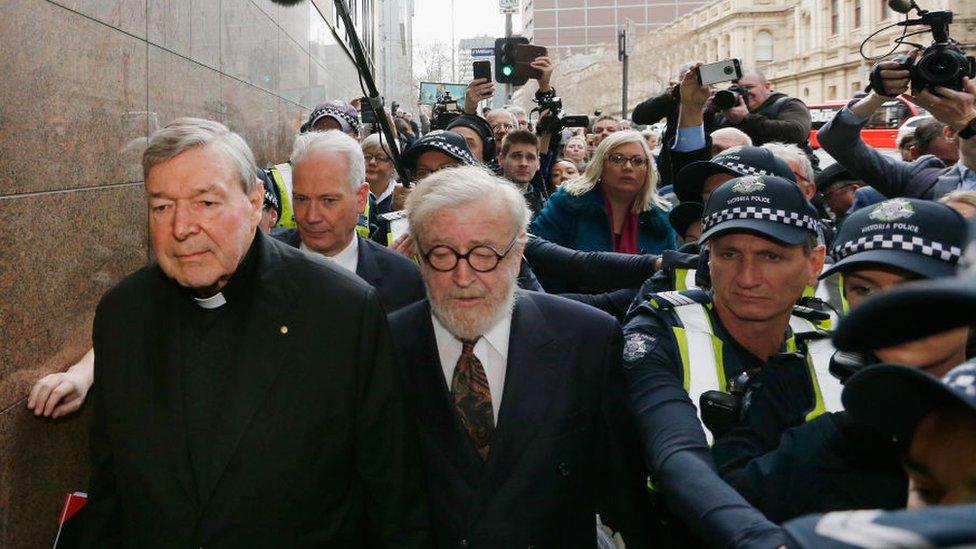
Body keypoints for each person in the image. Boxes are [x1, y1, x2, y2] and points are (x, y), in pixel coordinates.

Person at [74, 118, 428, 546]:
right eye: (162, 206)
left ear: (255, 203)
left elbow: (393, 497)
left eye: (205, 203)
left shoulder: (342, 310)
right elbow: (111, 492)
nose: (181, 227)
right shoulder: (123, 315)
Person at [388, 166, 651, 548]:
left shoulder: (586, 340)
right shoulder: (386, 346)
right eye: (442, 254)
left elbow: (624, 489)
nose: (463, 277)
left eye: (485, 254)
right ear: (417, 254)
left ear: (518, 250)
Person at [712, 198, 969, 523]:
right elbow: (729, 497)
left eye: (918, 286)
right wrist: (837, 436)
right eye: (865, 289)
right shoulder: (794, 380)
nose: (890, 310)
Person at [622, 174, 839, 547]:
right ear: (708, 258)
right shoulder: (660, 328)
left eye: (771, 255)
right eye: (729, 254)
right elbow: (675, 454)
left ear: (814, 263)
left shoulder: (832, 333)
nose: (747, 277)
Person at [272, 130, 425, 313]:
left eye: (328, 200)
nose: (311, 216)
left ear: (361, 198)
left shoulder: (403, 280)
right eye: (301, 199)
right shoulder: (260, 262)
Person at [530, 130, 677, 290]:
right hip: (571, 307)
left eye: (637, 160)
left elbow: (669, 279)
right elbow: (538, 259)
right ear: (600, 165)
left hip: (640, 310)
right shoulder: (567, 203)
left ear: (647, 169)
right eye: (617, 159)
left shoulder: (661, 218)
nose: (628, 167)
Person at [817, 67, 976, 201]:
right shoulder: (919, 180)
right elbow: (836, 140)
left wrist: (968, 123)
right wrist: (878, 96)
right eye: (948, 162)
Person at [714, 69, 818, 169]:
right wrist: (709, 112)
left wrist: (747, 118)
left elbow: (796, 133)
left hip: (787, 172)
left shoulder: (787, 104)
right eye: (737, 90)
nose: (743, 93)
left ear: (767, 87)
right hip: (740, 171)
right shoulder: (728, 112)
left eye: (748, 87)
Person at [361, 132, 400, 245]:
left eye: (380, 158)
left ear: (394, 165)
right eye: (367, 157)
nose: (372, 162)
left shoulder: (400, 196)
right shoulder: (349, 193)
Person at [500, 129, 546, 214]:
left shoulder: (544, 205)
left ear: (538, 163)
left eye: (530, 158)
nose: (523, 163)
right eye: (516, 156)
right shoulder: (487, 199)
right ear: (501, 160)